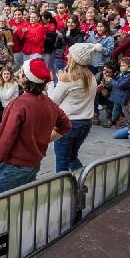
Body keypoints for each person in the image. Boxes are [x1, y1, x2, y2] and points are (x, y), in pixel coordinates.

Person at [0, 59, 71, 197]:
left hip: (14, 165)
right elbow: (65, 125)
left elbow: (6, 137)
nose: (18, 74)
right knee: (21, 200)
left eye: (21, 72)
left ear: (26, 78)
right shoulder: (49, 103)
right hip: (33, 164)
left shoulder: (18, 104)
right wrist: (44, 139)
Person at [50, 43, 99, 173]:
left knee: (62, 161)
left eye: (70, 54)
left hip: (68, 123)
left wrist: (52, 82)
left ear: (75, 59)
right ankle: (82, 180)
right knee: (72, 157)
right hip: (86, 123)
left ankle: (62, 184)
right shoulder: (91, 76)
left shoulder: (67, 77)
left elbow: (53, 101)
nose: (67, 56)